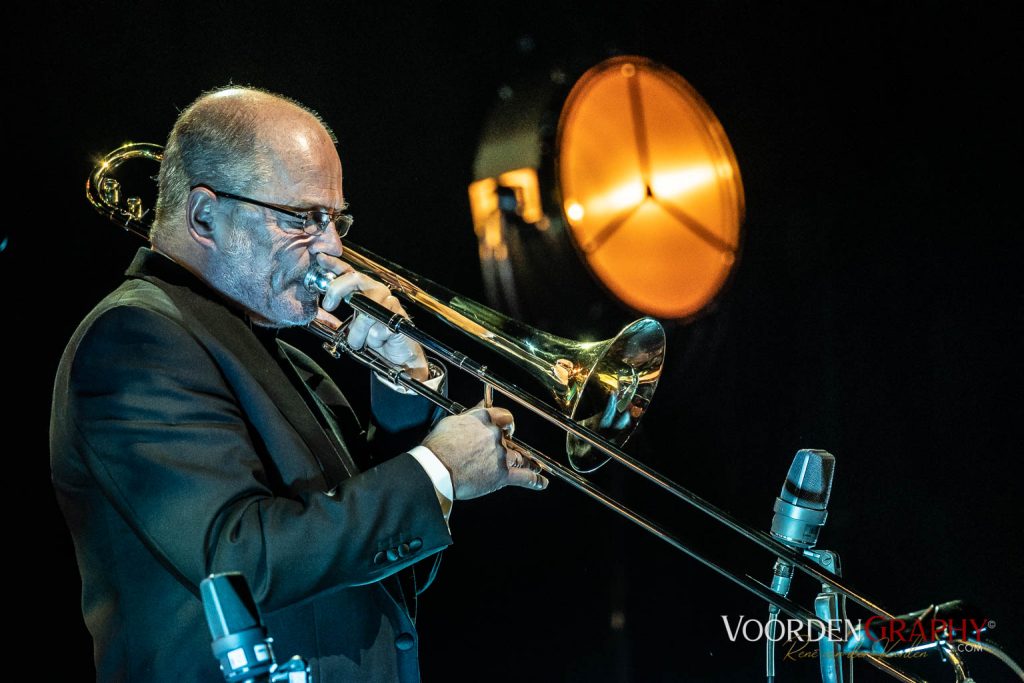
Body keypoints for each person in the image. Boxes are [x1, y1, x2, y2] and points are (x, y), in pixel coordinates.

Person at [50, 86, 548, 683]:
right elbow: (239, 560)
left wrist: (404, 389)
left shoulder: (288, 358)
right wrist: (436, 469)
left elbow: (389, 571)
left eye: (335, 219)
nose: (333, 247)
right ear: (205, 214)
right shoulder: (135, 339)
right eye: (302, 218)